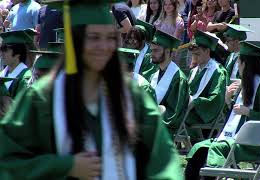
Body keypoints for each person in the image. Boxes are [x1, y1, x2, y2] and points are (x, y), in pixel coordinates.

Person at [0, 1, 183, 179]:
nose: (103, 46)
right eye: (94, 37)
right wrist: (64, 166)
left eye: (110, 37)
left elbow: (163, 161)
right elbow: (8, 160)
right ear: (75, 43)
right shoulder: (42, 98)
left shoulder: (131, 97)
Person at [184, 42, 260, 180]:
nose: (238, 67)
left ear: (246, 65)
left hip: (255, 141)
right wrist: (228, 100)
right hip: (235, 138)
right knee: (199, 148)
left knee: (217, 149)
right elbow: (235, 117)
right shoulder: (245, 86)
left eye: (239, 63)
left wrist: (249, 113)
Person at [186, 30, 227, 141]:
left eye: (198, 54)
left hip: (202, 113)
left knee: (174, 116)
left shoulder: (218, 71)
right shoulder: (194, 71)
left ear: (208, 51)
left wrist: (196, 102)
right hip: (190, 109)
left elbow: (215, 97)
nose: (194, 57)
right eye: (193, 54)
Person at [150, 30, 189, 135]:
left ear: (168, 51)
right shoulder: (154, 74)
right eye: (152, 50)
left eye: (156, 50)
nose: (152, 54)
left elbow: (172, 114)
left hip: (166, 127)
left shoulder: (178, 79)